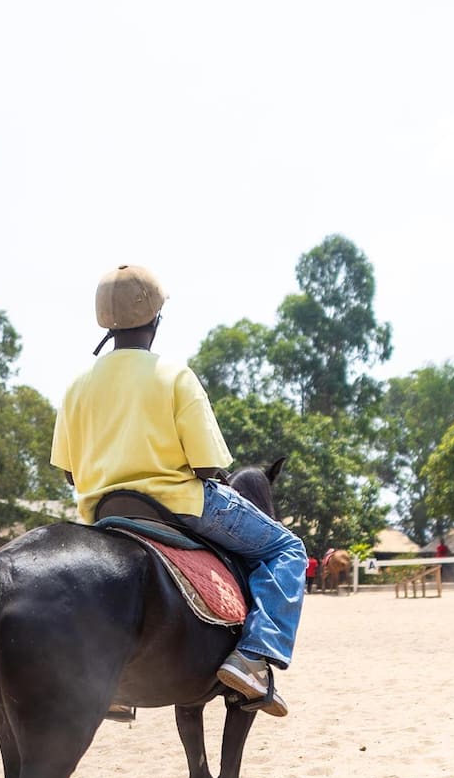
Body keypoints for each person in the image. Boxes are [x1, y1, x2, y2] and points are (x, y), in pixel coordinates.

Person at [50, 264, 305, 717]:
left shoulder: (76, 385)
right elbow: (208, 465)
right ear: (156, 320)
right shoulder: (173, 375)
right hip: (177, 506)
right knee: (286, 549)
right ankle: (254, 658)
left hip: (103, 513)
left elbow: (70, 475)